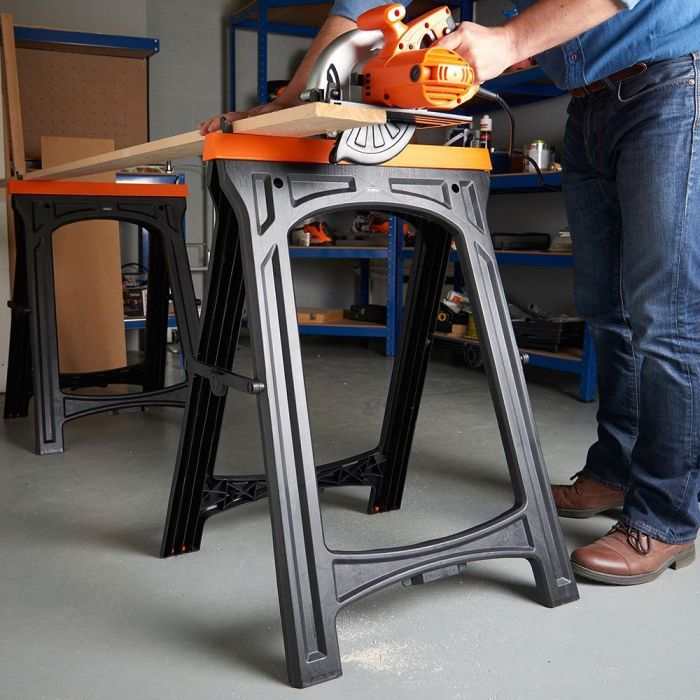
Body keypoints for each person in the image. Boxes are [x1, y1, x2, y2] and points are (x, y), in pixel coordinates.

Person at [200, 1, 700, 586]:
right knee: (605, 309)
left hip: (671, 84)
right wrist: (293, 99)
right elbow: (364, 5)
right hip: (588, 105)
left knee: (664, 317)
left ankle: (667, 517)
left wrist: (511, 41)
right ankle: (615, 472)